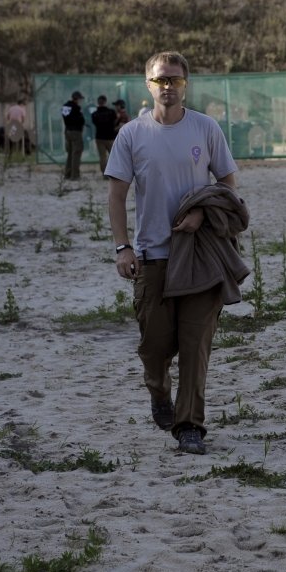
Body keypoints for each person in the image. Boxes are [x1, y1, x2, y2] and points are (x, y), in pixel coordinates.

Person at [106, 51, 248, 456]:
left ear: (186, 84)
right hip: (152, 257)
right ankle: (158, 391)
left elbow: (228, 186)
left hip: (201, 255)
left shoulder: (205, 128)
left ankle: (190, 427)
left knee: (195, 347)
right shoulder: (132, 134)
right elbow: (116, 195)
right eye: (160, 80)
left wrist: (204, 213)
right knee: (154, 348)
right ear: (148, 85)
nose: (168, 87)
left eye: (175, 80)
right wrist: (122, 247)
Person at [61, 90, 86, 180]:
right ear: (77, 99)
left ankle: (67, 174)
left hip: (67, 131)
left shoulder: (65, 106)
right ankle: (75, 175)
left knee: (70, 153)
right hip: (76, 132)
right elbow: (80, 120)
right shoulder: (76, 108)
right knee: (76, 153)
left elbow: (66, 118)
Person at [91, 95, 118, 176]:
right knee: (113, 156)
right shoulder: (111, 112)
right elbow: (115, 122)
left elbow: (95, 123)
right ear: (105, 102)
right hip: (110, 137)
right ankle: (114, 172)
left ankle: (104, 174)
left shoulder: (94, 114)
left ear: (98, 103)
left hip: (99, 137)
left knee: (103, 157)